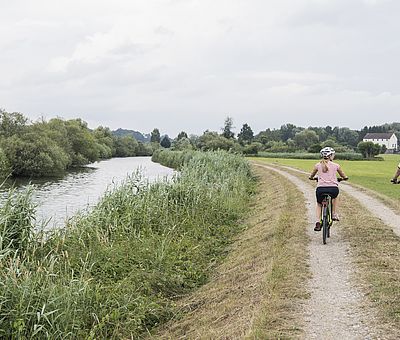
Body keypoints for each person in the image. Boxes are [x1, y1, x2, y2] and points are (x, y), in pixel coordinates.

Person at [309, 147, 348, 231]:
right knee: (335, 196)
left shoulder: (317, 165)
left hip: (320, 189)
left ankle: (318, 222)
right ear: (330, 156)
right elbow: (343, 175)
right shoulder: (336, 165)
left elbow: (311, 175)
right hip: (333, 189)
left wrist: (312, 178)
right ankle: (334, 214)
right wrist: (344, 178)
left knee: (319, 204)